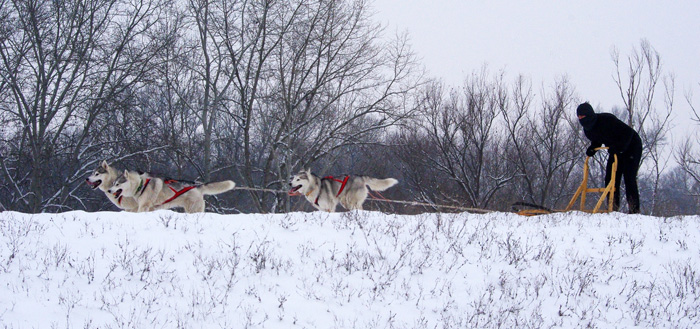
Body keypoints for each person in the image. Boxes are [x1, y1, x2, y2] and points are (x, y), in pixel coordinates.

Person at [576, 102, 642, 214]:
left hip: (632, 145)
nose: (581, 119)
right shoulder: (588, 130)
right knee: (610, 178)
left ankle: (634, 210)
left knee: (629, 177)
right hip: (615, 150)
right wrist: (593, 148)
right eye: (579, 117)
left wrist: (619, 147)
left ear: (589, 115)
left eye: (583, 116)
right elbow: (598, 139)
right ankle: (613, 208)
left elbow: (628, 133)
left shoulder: (606, 120)